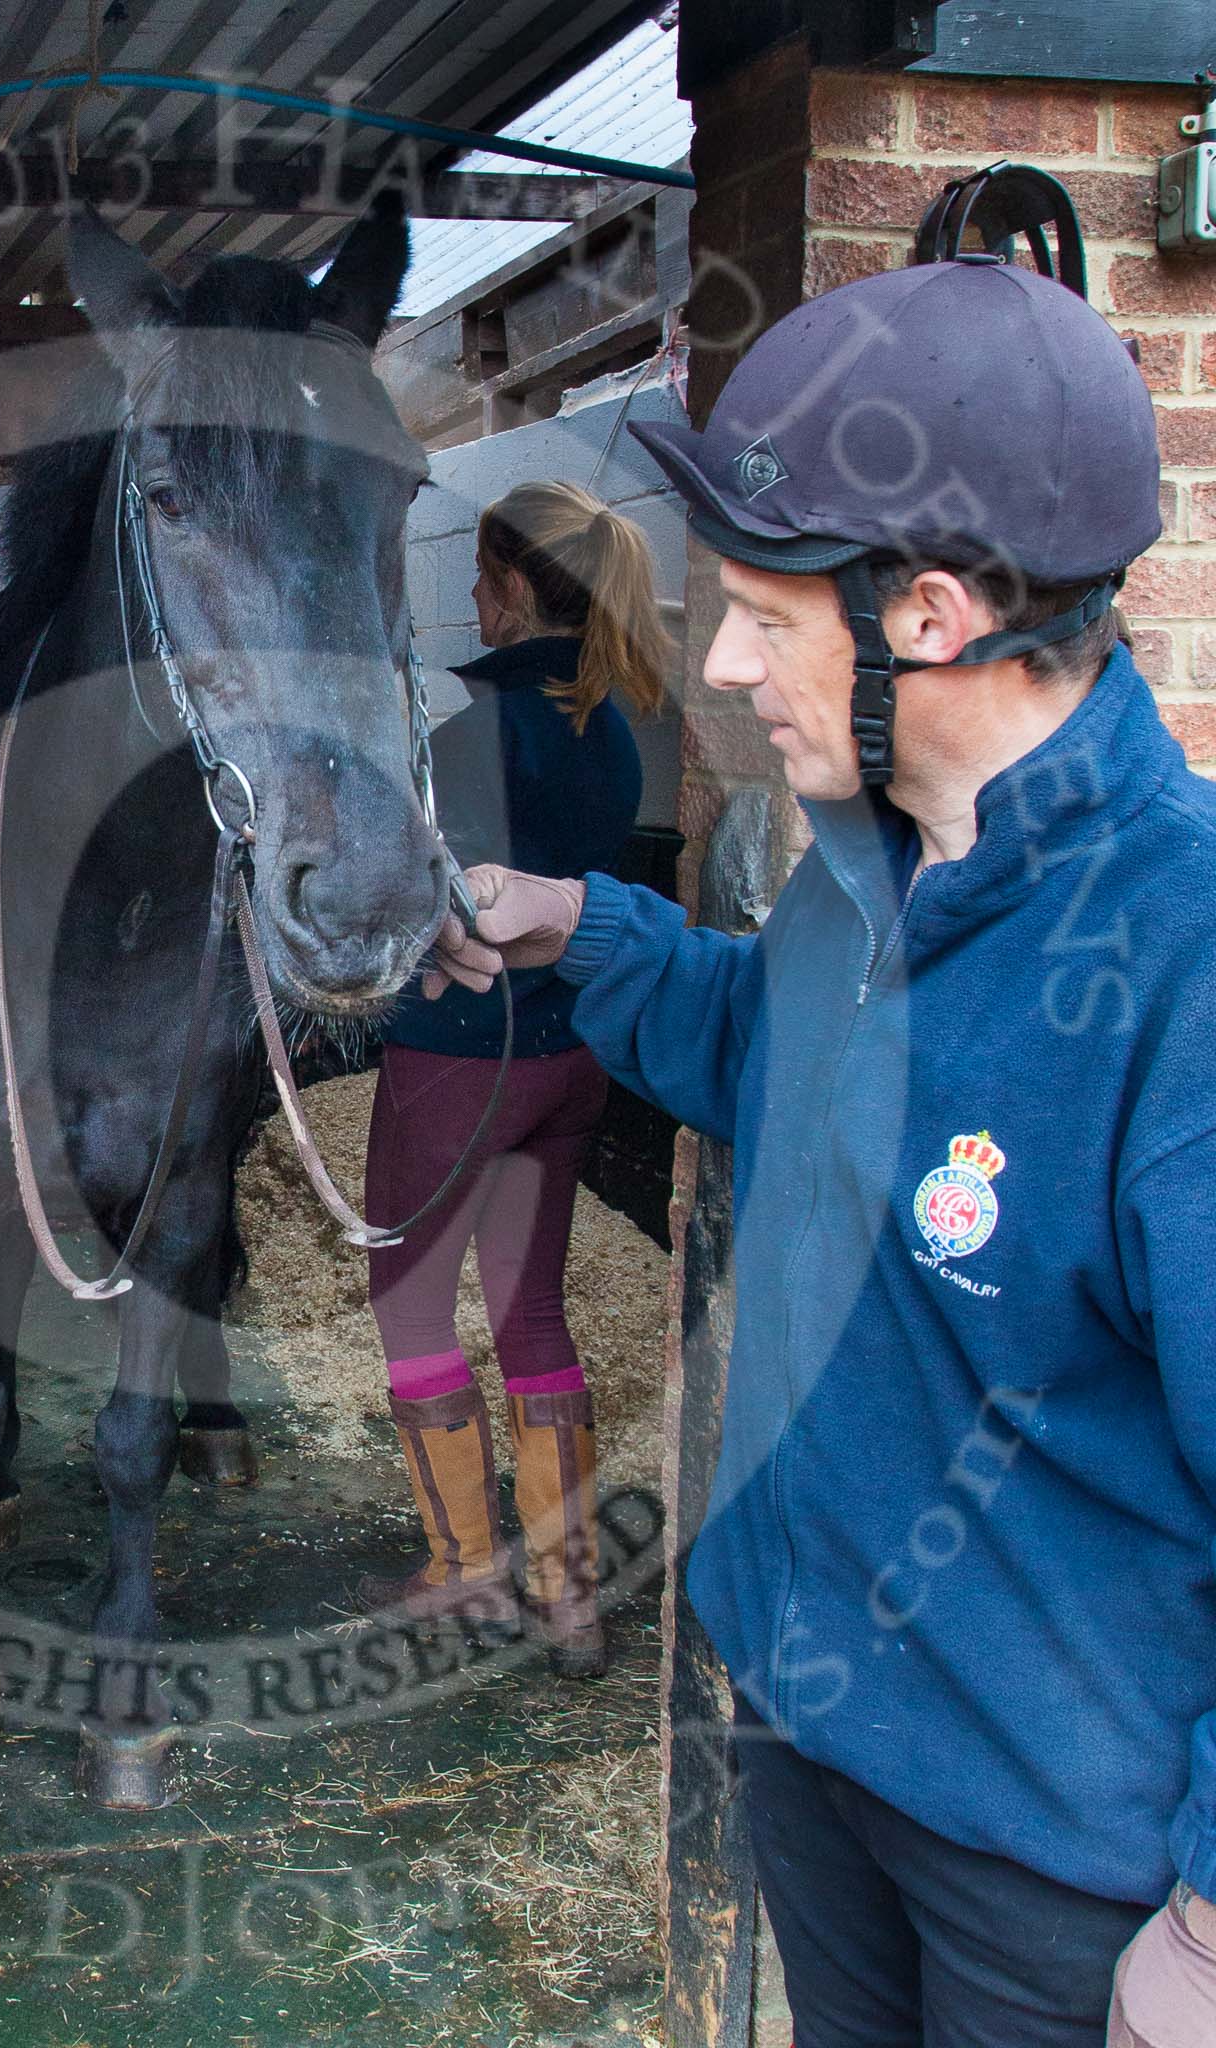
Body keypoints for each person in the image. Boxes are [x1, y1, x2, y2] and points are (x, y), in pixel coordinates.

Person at [428, 258, 1216, 2046]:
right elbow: (759, 1053)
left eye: (765, 618)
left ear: (928, 615)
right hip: (812, 1733)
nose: (718, 661)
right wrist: (579, 924)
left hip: (1048, 1857)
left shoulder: (1181, 968)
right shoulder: (860, 869)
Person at [358, 481, 672, 1677]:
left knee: (411, 1304)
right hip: (570, 1054)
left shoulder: (463, 720)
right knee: (532, 1310)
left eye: (482, 578)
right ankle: (569, 1592)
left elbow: (398, 884)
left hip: (456, 1056)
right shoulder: (608, 719)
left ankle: (463, 1574)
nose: (471, 599)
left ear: (513, 585)